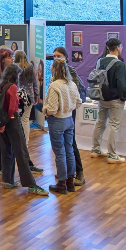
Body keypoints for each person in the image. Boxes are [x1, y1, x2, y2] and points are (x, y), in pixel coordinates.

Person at [0, 64, 48, 196]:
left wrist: (2, 124)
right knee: (22, 153)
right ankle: (31, 185)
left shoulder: (1, 85)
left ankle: (8, 180)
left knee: (7, 151)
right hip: (12, 121)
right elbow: (12, 108)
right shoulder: (13, 87)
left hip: (2, 122)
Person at [43, 60, 82, 194]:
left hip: (57, 121)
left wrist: (46, 111)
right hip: (69, 119)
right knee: (69, 151)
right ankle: (70, 182)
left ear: (55, 69)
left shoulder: (54, 86)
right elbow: (78, 102)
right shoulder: (72, 84)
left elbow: (52, 109)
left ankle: (61, 182)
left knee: (60, 153)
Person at [91, 38, 126, 164]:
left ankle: (95, 150)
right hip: (115, 99)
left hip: (101, 98)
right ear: (117, 47)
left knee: (100, 123)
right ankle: (112, 155)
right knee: (113, 125)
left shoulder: (99, 61)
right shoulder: (119, 64)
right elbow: (122, 84)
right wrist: (123, 98)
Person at [52, 47, 86, 185]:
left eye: (59, 56)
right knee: (63, 144)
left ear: (65, 57)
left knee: (70, 143)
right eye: (54, 56)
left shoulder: (69, 70)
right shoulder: (55, 72)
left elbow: (75, 89)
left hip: (68, 111)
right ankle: (65, 172)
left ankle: (80, 173)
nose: (56, 58)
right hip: (61, 111)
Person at [14, 51, 43, 175]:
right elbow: (35, 83)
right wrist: (36, 96)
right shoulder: (30, 67)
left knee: (19, 119)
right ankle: (25, 140)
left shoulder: (16, 68)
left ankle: (20, 138)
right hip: (30, 97)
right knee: (26, 118)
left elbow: (17, 84)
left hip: (20, 96)